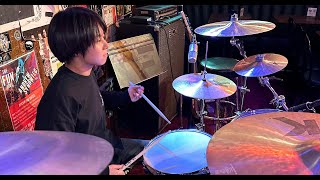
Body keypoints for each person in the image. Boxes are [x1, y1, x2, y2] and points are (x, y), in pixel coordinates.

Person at [35, 7, 149, 175]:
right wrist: (104, 172)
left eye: (104, 37)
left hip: (108, 146)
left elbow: (95, 99)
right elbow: (56, 160)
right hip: (90, 164)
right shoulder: (59, 98)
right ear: (75, 45)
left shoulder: (85, 73)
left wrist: (126, 96)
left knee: (157, 148)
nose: (105, 44)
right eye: (98, 39)